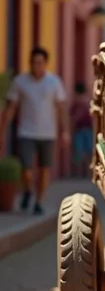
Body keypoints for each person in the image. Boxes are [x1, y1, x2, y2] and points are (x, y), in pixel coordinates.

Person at [0, 47, 69, 215]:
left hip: (48, 133)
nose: (36, 66)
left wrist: (65, 131)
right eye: (33, 62)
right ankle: (28, 190)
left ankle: (38, 201)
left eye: (40, 63)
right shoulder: (20, 82)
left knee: (44, 169)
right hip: (26, 132)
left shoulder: (54, 82)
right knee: (26, 168)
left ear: (45, 64)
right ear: (29, 63)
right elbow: (10, 108)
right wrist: (2, 131)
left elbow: (61, 108)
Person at [70, 81, 93, 178]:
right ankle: (79, 174)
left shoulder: (86, 104)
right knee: (79, 153)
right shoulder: (79, 105)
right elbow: (72, 118)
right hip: (80, 130)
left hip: (85, 130)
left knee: (88, 152)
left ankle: (87, 174)